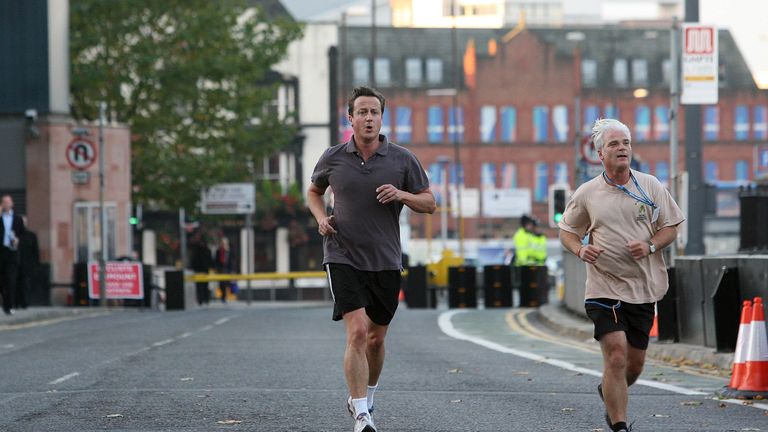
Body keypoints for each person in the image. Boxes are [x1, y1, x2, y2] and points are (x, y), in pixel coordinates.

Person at [307, 86, 436, 432]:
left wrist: (402, 194)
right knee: (359, 331)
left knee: (377, 338)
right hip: (342, 254)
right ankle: (361, 414)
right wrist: (321, 218)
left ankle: (366, 395)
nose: (368, 118)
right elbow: (314, 191)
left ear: (382, 117)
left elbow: (430, 203)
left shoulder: (402, 159)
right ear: (350, 118)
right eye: (361, 112)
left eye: (374, 112)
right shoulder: (333, 157)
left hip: (385, 259)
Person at [558, 119, 684, 432]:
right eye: (614, 144)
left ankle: (609, 390)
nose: (622, 148)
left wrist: (650, 244)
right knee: (615, 355)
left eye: (625, 142)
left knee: (633, 364)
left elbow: (671, 227)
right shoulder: (587, 193)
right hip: (603, 289)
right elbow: (567, 231)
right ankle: (620, 426)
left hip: (642, 288)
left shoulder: (650, 185)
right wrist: (579, 249)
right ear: (600, 154)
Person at [0, 195, 25, 315]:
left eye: (8, 202)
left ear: (12, 204)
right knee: (2, 280)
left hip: (12, 251)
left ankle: (10, 305)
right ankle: (4, 304)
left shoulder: (18, 218)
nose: (6, 204)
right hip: (1, 251)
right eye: (4, 202)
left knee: (11, 280)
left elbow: (23, 234)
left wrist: (18, 240)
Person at [16, 216, 39, 309]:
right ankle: (16, 302)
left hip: (27, 265)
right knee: (15, 284)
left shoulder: (31, 235)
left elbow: (35, 251)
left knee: (25, 284)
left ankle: (24, 302)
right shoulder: (13, 235)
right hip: (15, 264)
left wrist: (36, 264)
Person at [190, 233, 213, 306]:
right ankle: (200, 299)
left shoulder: (207, 251)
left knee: (205, 285)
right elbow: (194, 260)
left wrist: (211, 267)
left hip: (205, 270)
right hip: (198, 270)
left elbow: (210, 260)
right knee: (199, 286)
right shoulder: (197, 250)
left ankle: (206, 299)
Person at [214, 237, 234, 303]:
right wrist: (216, 269)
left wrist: (231, 270)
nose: (223, 244)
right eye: (222, 243)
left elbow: (231, 261)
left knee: (226, 283)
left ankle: (226, 295)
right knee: (221, 284)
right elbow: (216, 261)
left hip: (227, 269)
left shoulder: (228, 251)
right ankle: (223, 297)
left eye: (224, 243)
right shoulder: (218, 251)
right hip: (220, 270)